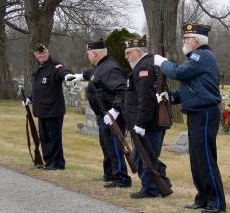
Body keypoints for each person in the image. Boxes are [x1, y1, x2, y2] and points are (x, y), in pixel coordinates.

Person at [154, 22, 226, 213]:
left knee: (205, 158)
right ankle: (202, 196)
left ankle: (216, 201)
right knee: (196, 159)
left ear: (195, 40)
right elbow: (191, 87)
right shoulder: (195, 58)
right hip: (196, 113)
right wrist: (171, 97)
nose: (183, 42)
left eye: (186, 39)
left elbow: (179, 73)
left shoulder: (202, 56)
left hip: (205, 113)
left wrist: (162, 62)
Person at [69, 39, 131, 188]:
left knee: (115, 146)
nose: (88, 56)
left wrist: (115, 110)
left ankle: (121, 178)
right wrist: (79, 76)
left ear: (94, 53)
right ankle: (109, 174)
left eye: (89, 54)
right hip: (103, 115)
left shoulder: (110, 68)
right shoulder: (101, 66)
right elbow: (92, 74)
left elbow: (122, 89)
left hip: (111, 115)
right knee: (107, 146)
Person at [123, 36, 170, 198]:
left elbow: (145, 98)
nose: (126, 57)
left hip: (149, 123)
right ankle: (160, 184)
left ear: (138, 51)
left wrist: (141, 123)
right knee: (144, 155)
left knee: (144, 156)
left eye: (128, 53)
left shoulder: (144, 67)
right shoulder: (146, 65)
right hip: (150, 121)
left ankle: (151, 189)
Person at [27, 43, 74, 170]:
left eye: (43, 53)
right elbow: (38, 88)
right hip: (41, 110)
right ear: (35, 55)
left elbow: (63, 72)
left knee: (54, 138)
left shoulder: (55, 66)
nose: (41, 56)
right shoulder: (37, 68)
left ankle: (58, 163)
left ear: (48, 53)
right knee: (44, 138)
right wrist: (30, 98)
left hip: (53, 110)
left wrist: (68, 76)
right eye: (39, 54)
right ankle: (48, 162)